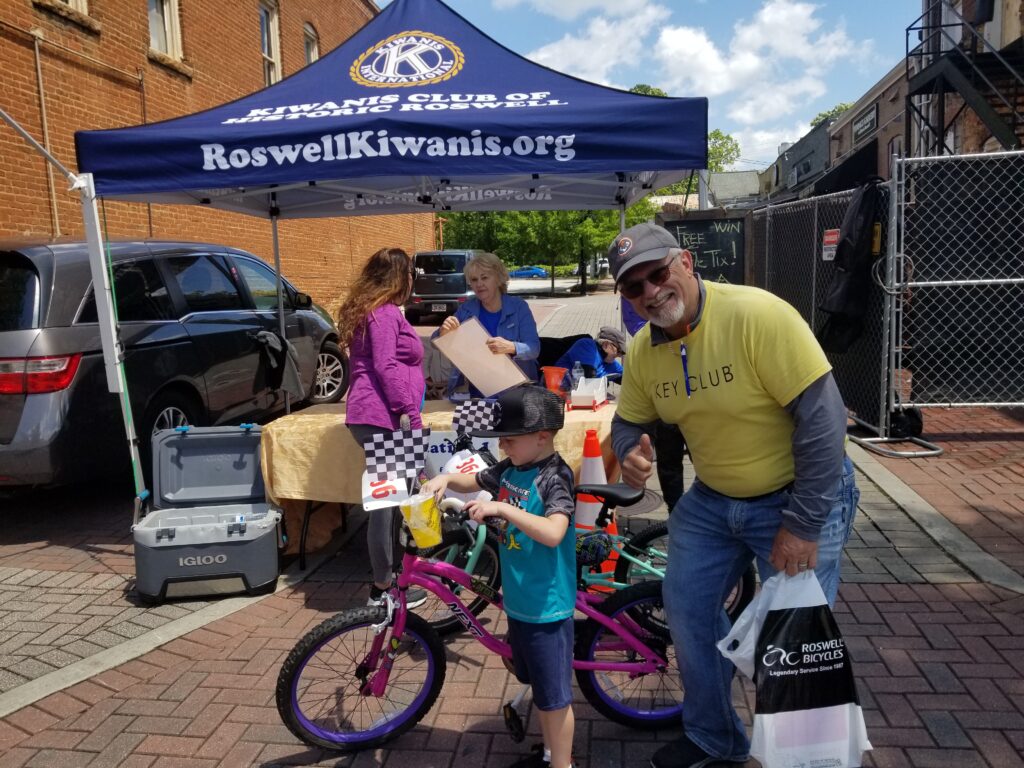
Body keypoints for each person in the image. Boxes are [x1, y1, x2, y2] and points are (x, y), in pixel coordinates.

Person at [607, 223, 859, 768]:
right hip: (716, 499)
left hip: (798, 495)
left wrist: (803, 523)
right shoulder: (644, 353)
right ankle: (713, 737)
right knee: (687, 609)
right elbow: (627, 421)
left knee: (792, 637)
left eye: (659, 273)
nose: (651, 291)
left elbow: (824, 420)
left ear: (688, 262)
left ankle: (804, 759)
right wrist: (628, 449)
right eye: (634, 286)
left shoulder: (757, 315)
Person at [421, 385, 576, 768]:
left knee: (553, 699)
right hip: (521, 600)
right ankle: (548, 751)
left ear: (542, 437)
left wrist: (503, 511)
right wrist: (446, 480)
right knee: (536, 681)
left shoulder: (553, 476)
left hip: (547, 606)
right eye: (501, 439)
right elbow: (476, 480)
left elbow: (555, 532)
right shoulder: (513, 468)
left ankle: (563, 763)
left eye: (510, 439)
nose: (503, 446)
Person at [336, 247, 427, 608]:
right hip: (381, 418)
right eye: (410, 274)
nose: (411, 281)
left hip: (374, 416)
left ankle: (391, 583)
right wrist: (410, 411)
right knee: (386, 506)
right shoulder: (384, 314)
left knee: (393, 501)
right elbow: (386, 366)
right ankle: (383, 589)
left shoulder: (374, 311)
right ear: (400, 277)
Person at [433, 252, 540, 397]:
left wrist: (512, 347)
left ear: (498, 278)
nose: (479, 284)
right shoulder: (466, 309)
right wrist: (443, 333)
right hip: (478, 394)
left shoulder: (519, 307)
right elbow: (435, 342)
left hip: (518, 393)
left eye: (484, 278)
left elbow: (534, 348)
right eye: (474, 279)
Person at [553, 325, 627, 382]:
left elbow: (626, 378)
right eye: (619, 351)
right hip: (558, 388)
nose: (619, 356)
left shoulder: (609, 361)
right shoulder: (587, 344)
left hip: (577, 395)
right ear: (606, 345)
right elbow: (588, 375)